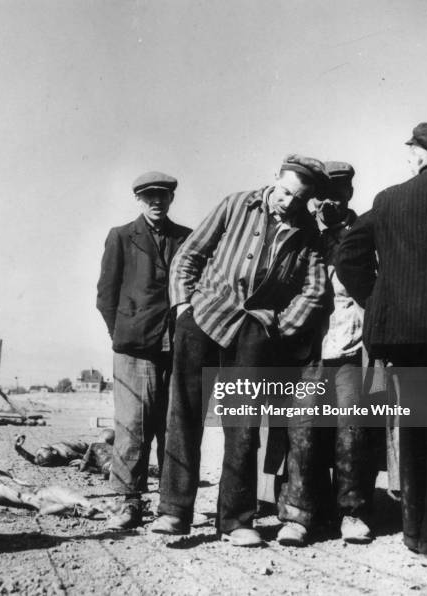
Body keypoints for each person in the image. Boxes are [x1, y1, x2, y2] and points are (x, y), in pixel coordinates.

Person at [151, 154, 328, 546]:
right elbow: (190, 255)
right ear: (274, 180)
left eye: (298, 198)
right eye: (284, 192)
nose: (287, 202)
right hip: (203, 318)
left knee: (243, 427)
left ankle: (236, 520)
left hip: (254, 333)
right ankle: (173, 512)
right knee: (184, 416)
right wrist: (183, 306)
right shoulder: (235, 204)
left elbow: (314, 289)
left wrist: (279, 327)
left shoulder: (308, 233)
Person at [336, 122, 427, 564]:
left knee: (416, 429)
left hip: (401, 336)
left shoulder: (388, 200)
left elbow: (347, 254)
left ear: (420, 155)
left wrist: (378, 299)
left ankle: (414, 533)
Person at [277, 161, 376, 546]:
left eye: (338, 193)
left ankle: (353, 513)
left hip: (352, 348)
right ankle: (297, 517)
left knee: (352, 434)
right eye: (322, 196)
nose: (328, 202)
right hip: (309, 351)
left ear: (350, 193)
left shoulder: (368, 231)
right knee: (302, 434)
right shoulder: (304, 235)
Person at [96, 171, 192, 530]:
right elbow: (106, 296)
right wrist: (123, 333)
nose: (156, 202)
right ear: (139, 199)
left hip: (177, 347)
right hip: (134, 348)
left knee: (173, 427)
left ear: (171, 199)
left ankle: (171, 506)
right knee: (132, 427)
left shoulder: (187, 238)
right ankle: (128, 503)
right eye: (149, 196)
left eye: (163, 196)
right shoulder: (121, 237)